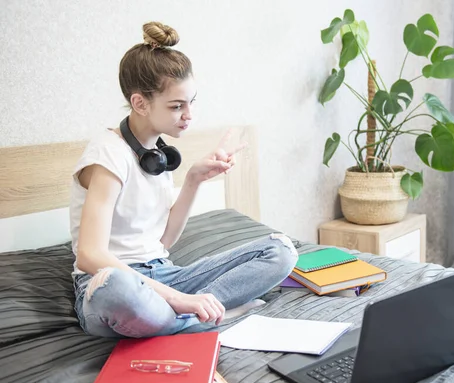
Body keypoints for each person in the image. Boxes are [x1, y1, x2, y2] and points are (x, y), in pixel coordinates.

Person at [69, 21, 298, 338]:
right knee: (120, 290)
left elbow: (162, 243)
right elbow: (90, 254)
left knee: (280, 251)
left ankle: (180, 317)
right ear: (140, 103)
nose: (189, 114)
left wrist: (193, 180)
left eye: (192, 102)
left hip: (163, 276)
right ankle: (208, 314)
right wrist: (179, 298)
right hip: (110, 283)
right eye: (177, 106)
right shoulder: (108, 155)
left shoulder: (158, 156)